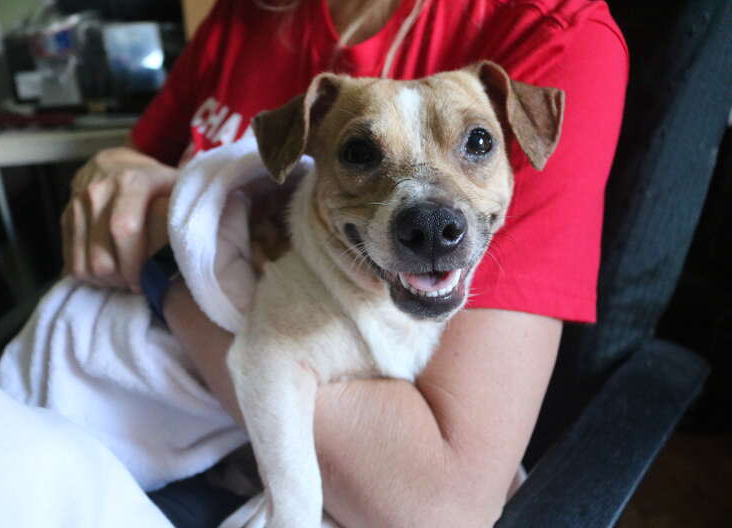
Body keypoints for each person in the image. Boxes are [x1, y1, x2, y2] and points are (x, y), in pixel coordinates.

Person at [62, 0, 628, 526]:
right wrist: (107, 166)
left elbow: (440, 504)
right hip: (127, 405)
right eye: (360, 151)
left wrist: (166, 252)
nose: (431, 217)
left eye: (477, 144)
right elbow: (139, 163)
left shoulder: (552, 32)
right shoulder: (245, 12)